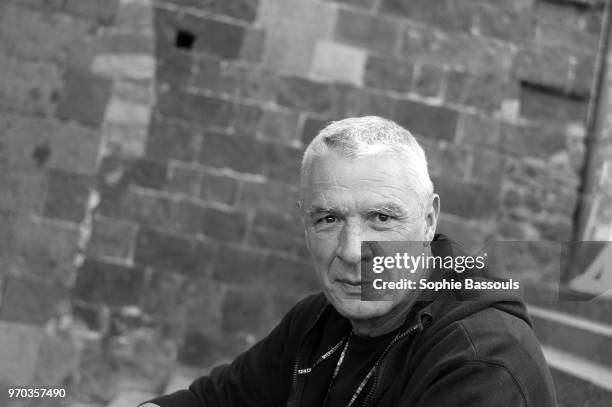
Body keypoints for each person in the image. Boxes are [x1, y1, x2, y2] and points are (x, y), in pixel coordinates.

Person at [140, 116, 557, 407]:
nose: (353, 251)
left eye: (382, 218)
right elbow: (212, 400)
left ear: (429, 220)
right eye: (328, 218)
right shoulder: (317, 321)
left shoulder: (481, 361)